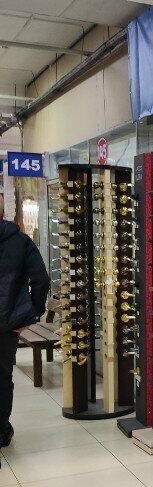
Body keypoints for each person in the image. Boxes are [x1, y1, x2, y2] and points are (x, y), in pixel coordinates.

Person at [0, 194, 50, 453]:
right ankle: (1, 431)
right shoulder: (20, 241)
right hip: (8, 324)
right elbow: (41, 280)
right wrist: (32, 314)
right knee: (2, 378)